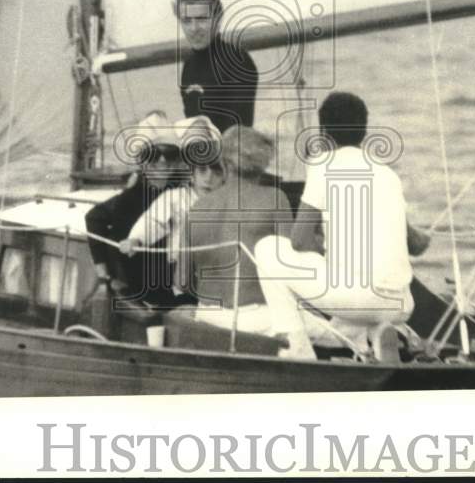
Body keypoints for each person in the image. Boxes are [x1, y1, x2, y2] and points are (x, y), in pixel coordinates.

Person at [254, 91, 426, 359]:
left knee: (267, 248)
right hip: (401, 305)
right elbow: (416, 245)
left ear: (323, 132)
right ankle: (372, 340)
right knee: (344, 310)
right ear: (364, 130)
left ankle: (297, 348)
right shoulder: (388, 174)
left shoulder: (323, 164)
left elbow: (299, 241)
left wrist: (320, 249)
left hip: (360, 300)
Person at [183, 125, 293, 334]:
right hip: (259, 319)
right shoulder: (275, 199)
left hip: (208, 315)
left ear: (225, 163)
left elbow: (181, 280)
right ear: (263, 166)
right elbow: (290, 272)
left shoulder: (198, 207)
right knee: (348, 335)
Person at [85, 112, 189, 306]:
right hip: (142, 291)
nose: (163, 162)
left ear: (177, 161)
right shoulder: (129, 198)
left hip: (178, 288)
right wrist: (105, 275)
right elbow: (93, 218)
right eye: (154, 155)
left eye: (170, 154)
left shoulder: (184, 194)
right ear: (143, 162)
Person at [118, 119, 224, 305]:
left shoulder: (228, 201)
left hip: (219, 271)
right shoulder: (176, 198)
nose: (209, 177)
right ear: (191, 173)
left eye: (216, 171)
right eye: (202, 170)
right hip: (182, 273)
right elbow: (154, 221)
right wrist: (136, 239)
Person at [173, 0, 259, 134]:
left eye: (201, 19)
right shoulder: (188, 67)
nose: (194, 28)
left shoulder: (237, 60)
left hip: (232, 154)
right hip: (202, 152)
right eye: (187, 21)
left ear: (218, 19)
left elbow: (238, 133)